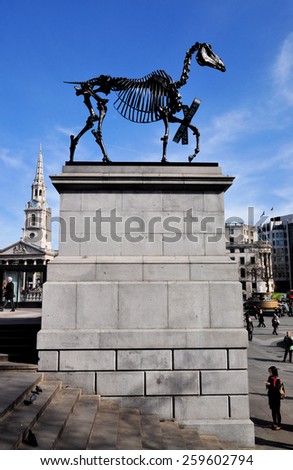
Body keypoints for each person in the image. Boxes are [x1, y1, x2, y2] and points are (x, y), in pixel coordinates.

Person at [265, 365, 282, 430]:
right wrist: (267, 385)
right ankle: (274, 423)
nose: (269, 373)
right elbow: (269, 387)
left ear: (274, 372)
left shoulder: (277, 379)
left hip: (276, 397)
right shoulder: (270, 377)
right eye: (269, 372)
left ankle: (279, 424)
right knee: (272, 410)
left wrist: (270, 384)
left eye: (270, 371)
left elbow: (276, 389)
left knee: (277, 410)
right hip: (271, 396)